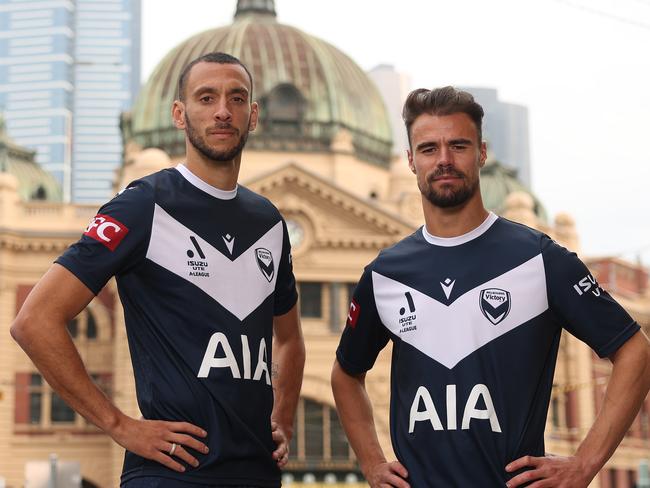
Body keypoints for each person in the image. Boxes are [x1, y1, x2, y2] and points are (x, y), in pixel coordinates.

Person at [331, 86, 650, 487]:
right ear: (411, 161)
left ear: (481, 152)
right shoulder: (384, 273)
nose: (444, 160)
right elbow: (345, 375)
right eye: (429, 149)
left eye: (458, 146)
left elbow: (635, 350)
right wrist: (372, 463)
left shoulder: (539, 258)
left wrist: (585, 464)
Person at [11, 52, 305, 487]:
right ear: (179, 115)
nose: (223, 111)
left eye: (236, 98)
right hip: (170, 475)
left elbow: (290, 340)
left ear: (253, 115)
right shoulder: (144, 203)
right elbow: (34, 321)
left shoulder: (269, 222)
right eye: (206, 98)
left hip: (257, 474)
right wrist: (119, 425)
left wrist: (282, 418)